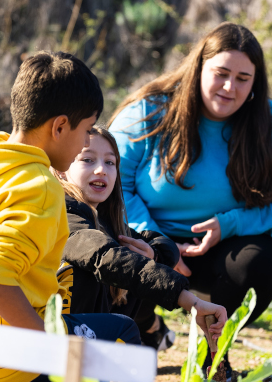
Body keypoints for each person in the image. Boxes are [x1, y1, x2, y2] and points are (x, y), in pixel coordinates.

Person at [0, 52, 225, 382]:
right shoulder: (40, 189)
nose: (87, 142)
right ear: (60, 127)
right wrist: (49, 352)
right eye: (86, 132)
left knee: (74, 326)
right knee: (119, 337)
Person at [108, 22, 272, 347]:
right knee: (110, 249)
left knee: (262, 260)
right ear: (198, 68)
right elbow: (113, 185)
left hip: (221, 248)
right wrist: (160, 244)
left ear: (255, 84)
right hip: (147, 238)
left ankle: (210, 352)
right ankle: (146, 326)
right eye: (221, 73)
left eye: (243, 79)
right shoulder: (148, 112)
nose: (230, 87)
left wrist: (229, 224)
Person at [53, 127, 228, 350]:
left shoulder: (106, 222)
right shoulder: (62, 215)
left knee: (136, 260)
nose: (101, 170)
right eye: (87, 159)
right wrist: (190, 302)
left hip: (80, 339)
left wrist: (152, 253)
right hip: (45, 338)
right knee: (124, 297)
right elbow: (107, 258)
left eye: (110, 162)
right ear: (61, 169)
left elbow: (158, 242)